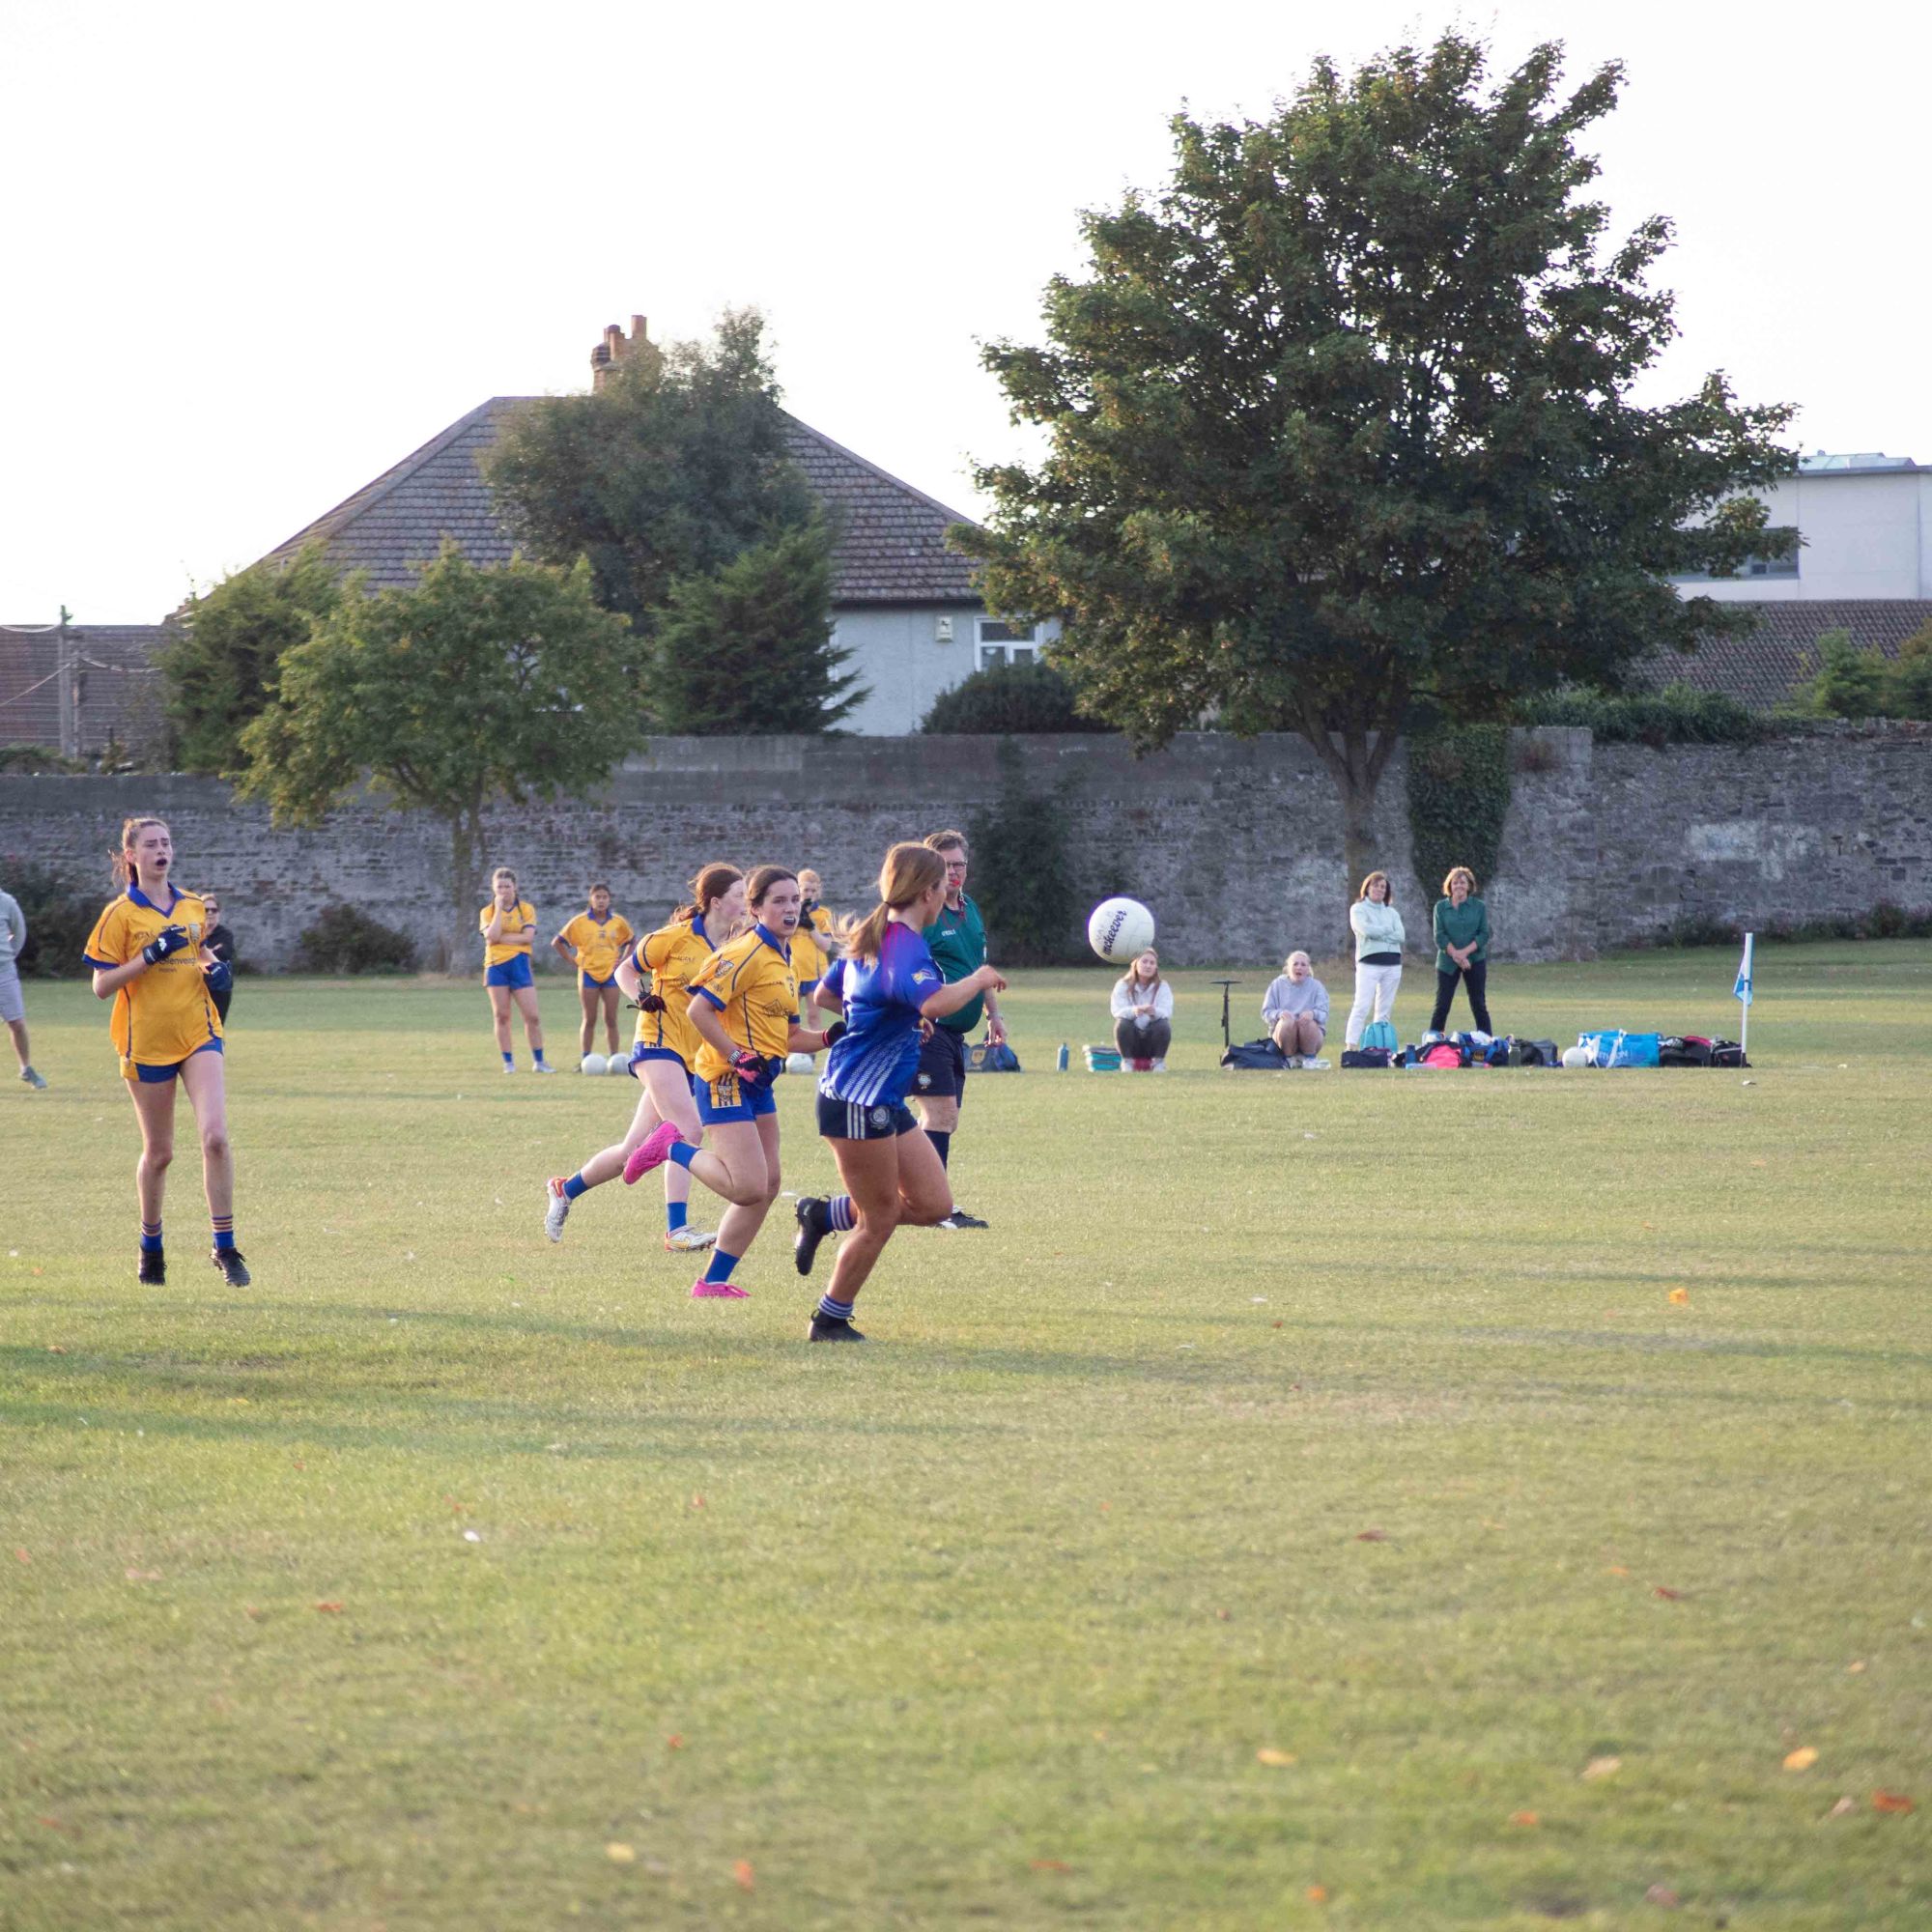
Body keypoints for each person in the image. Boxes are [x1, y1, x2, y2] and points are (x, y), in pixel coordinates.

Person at [792, 842, 1009, 1340]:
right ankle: (829, 1319)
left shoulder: (879, 936)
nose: (946, 893)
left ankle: (822, 1214)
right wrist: (978, 978)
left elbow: (828, 995)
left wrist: (893, 1019)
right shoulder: (903, 944)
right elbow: (934, 1002)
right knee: (881, 1217)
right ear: (928, 893)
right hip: (855, 1100)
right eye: (943, 885)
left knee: (933, 1205)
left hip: (882, 1100)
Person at [621, 866, 840, 1298]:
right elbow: (698, 1010)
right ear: (755, 908)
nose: (790, 908)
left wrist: (832, 1037)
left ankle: (713, 1281)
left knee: (768, 1186)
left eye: (795, 900)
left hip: (759, 1081)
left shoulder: (784, 958)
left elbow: (791, 1036)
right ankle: (671, 1146)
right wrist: (736, 1056)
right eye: (778, 901)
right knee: (747, 1188)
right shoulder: (743, 953)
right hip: (726, 1079)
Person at [81, 815, 247, 1286]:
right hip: (146, 1043)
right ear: (131, 856)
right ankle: (151, 1247)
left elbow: (201, 953)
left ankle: (225, 1246)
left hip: (198, 1032)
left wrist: (215, 969)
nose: (162, 851)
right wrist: (149, 956)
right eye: (152, 844)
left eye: (167, 843)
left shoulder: (192, 905)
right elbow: (101, 986)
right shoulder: (120, 914)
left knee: (215, 1137)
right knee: (159, 1154)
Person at [545, 864, 743, 1254]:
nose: (746, 902)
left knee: (629, 1153)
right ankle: (676, 1230)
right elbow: (625, 970)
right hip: (657, 1042)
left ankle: (565, 1189)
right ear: (716, 901)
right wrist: (641, 995)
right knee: (687, 1129)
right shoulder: (674, 937)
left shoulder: (734, 947)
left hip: (693, 1056)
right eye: (740, 894)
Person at [915, 829, 1007, 1230]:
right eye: (946, 865)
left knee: (945, 1120)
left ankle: (922, 1200)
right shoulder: (925, 915)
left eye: (960, 864)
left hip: (956, 1035)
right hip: (929, 1031)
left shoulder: (971, 909)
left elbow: (977, 969)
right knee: (940, 1115)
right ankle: (934, 1207)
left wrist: (993, 1014)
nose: (954, 872)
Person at [480, 867, 554, 1072]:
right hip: (495, 966)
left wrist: (502, 939)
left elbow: (528, 937)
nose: (503, 891)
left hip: (519, 964)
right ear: (493, 889)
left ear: (515, 887)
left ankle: (539, 1061)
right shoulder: (487, 912)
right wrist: (498, 910)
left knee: (532, 1016)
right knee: (501, 1016)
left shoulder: (526, 909)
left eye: (507, 886)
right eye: (499, 887)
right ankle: (508, 1063)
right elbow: (491, 936)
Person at [552, 883, 635, 1062]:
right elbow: (558, 942)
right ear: (591, 899)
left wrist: (623, 961)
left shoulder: (617, 922)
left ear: (609, 900)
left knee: (611, 1019)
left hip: (611, 974)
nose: (601, 901)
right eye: (597, 897)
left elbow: (631, 940)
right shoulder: (580, 922)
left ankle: (614, 1058)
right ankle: (585, 1058)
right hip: (588, 973)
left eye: (604, 897)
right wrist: (571, 960)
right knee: (589, 1018)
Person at [1429, 867, 1493, 1034]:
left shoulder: (1479, 907)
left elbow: (1484, 934)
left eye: (1462, 882)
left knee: (1478, 1003)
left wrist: (1464, 953)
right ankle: (1434, 1040)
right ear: (1449, 886)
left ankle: (1486, 1040)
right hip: (1447, 962)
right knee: (1442, 1004)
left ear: (1469, 885)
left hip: (1475, 960)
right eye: (1455, 882)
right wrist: (1456, 955)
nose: (1459, 886)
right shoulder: (1440, 907)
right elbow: (1439, 936)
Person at [1344, 871, 1404, 1048]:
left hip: (1392, 964)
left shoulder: (1392, 912)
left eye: (1383, 887)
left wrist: (1379, 933)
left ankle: (1380, 1048)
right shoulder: (1358, 909)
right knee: (1362, 1005)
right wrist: (1386, 930)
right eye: (1376, 886)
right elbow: (1365, 930)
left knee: (1384, 1010)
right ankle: (1351, 1046)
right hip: (1369, 963)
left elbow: (1400, 935)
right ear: (1367, 888)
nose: (1379, 889)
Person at [0, 884, 48, 1088]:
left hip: (4, 972)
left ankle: (26, 1069)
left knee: (17, 1023)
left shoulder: (6, 902)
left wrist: (7, 956)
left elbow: (19, 934)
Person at [1262, 952, 1329, 1065]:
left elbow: (1324, 1014)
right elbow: (1266, 1012)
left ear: (1308, 968)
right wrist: (1279, 1014)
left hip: (1311, 1036)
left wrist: (1313, 1014)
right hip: (1283, 1037)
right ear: (1288, 967)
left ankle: (1310, 1059)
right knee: (1288, 1022)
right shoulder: (1277, 984)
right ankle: (1288, 1059)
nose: (1299, 967)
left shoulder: (1317, 986)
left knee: (1307, 1022)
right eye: (1295, 964)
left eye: (1303, 965)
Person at [1110, 949, 1173, 1069]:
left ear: (1156, 967)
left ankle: (1158, 1063)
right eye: (1144, 962)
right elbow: (1117, 1010)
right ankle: (1127, 1063)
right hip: (1131, 1040)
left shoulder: (1163, 986)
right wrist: (1134, 1011)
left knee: (1163, 1024)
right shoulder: (1122, 985)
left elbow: (1167, 1011)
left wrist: (1154, 1012)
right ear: (1135, 964)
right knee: (1122, 1024)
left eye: (1152, 963)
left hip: (1151, 1040)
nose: (1148, 966)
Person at [200, 892, 236, 1027]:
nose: (210, 913)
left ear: (218, 913)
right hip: (199, 987)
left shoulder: (225, 935)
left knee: (216, 1027)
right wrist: (212, 950)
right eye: (206, 910)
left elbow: (225, 953)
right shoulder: (195, 934)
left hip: (219, 989)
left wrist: (205, 952)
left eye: (213, 910)